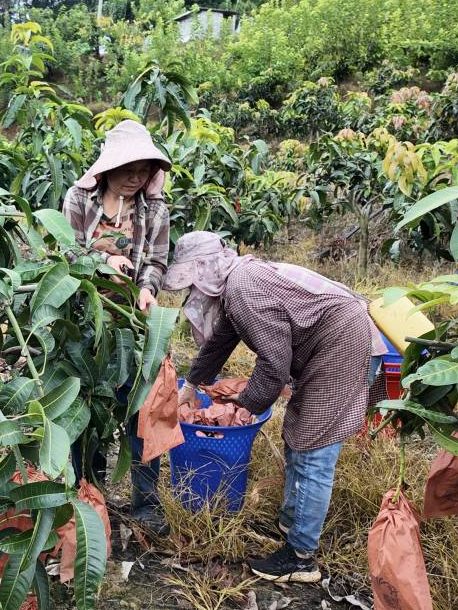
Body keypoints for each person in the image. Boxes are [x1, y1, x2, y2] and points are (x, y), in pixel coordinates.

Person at [166, 231, 387, 583]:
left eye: (191, 281)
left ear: (204, 268)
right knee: (298, 434)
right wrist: (190, 386)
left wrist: (246, 406)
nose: (192, 292)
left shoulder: (242, 288)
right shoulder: (237, 281)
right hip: (330, 343)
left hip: (341, 345)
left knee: (315, 450)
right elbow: (223, 340)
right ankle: (291, 521)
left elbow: (274, 363)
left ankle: (301, 557)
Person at [62, 119, 171, 532]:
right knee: (86, 411)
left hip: (133, 327)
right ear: (107, 167)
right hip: (85, 328)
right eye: (128, 167)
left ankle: (146, 504)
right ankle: (92, 498)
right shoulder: (79, 200)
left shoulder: (155, 210)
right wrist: (101, 263)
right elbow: (64, 252)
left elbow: (157, 261)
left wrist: (145, 287)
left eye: (144, 170)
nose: (135, 177)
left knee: (141, 411)